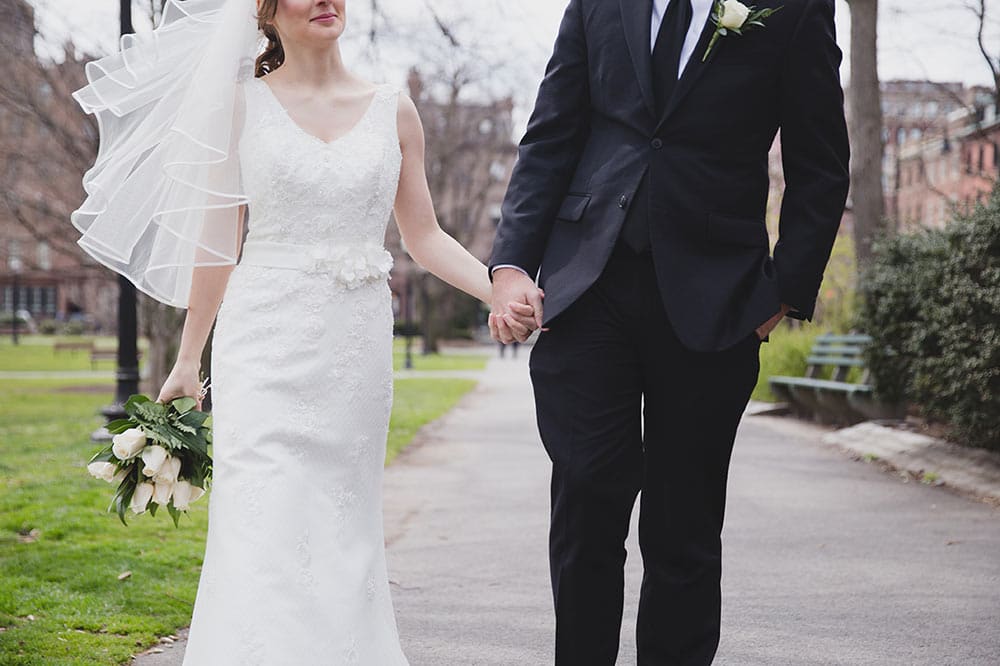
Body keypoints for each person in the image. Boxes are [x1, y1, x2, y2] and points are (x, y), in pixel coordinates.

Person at [71, 0, 538, 663]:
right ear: (264, 11)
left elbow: (424, 235)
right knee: (263, 518)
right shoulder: (238, 107)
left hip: (354, 349)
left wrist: (498, 287)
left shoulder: (394, 110)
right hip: (263, 342)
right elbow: (216, 246)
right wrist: (186, 359)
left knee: (342, 524)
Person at [488, 0, 850, 663]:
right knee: (588, 495)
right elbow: (551, 135)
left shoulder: (793, 9)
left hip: (718, 299)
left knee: (683, 524)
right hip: (589, 285)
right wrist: (511, 265)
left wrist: (780, 296)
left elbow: (820, 162)